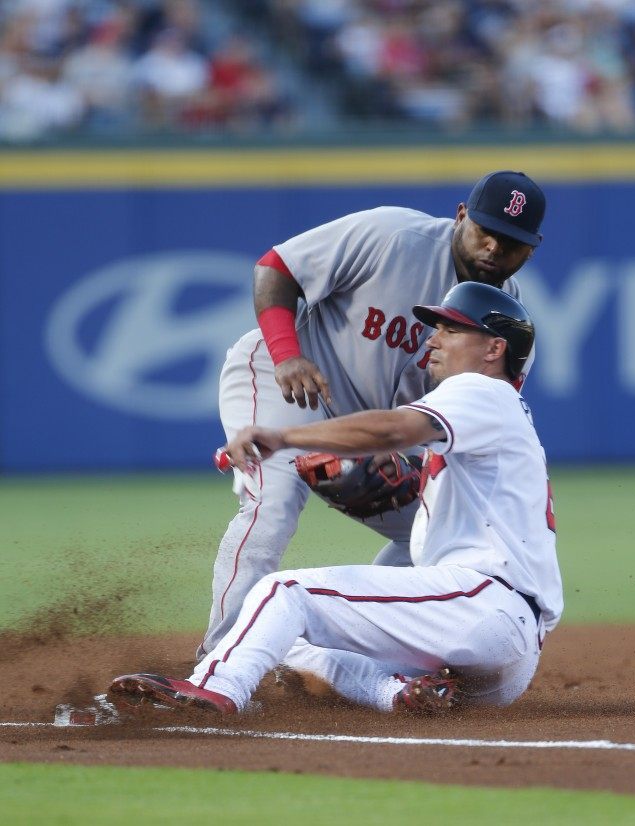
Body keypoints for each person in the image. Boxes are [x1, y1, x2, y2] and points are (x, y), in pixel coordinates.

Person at [110, 282, 563, 715]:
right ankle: (394, 692)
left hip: (478, 604)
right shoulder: (500, 415)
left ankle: (215, 688)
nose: (433, 340)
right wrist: (404, 482)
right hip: (502, 651)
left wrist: (283, 434)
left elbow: (392, 428)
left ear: (494, 349)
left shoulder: (482, 389)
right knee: (287, 643)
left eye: (452, 328)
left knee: (283, 592)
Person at [197, 169, 546, 660]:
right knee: (271, 503)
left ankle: (356, 663)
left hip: (377, 433)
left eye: (508, 241)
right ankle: (222, 655)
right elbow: (276, 268)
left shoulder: (505, 332)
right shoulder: (393, 235)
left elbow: (464, 424)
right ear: (461, 216)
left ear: (531, 249)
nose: (492, 246)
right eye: (483, 230)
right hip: (291, 385)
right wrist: (286, 353)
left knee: (444, 534)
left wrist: (415, 467)